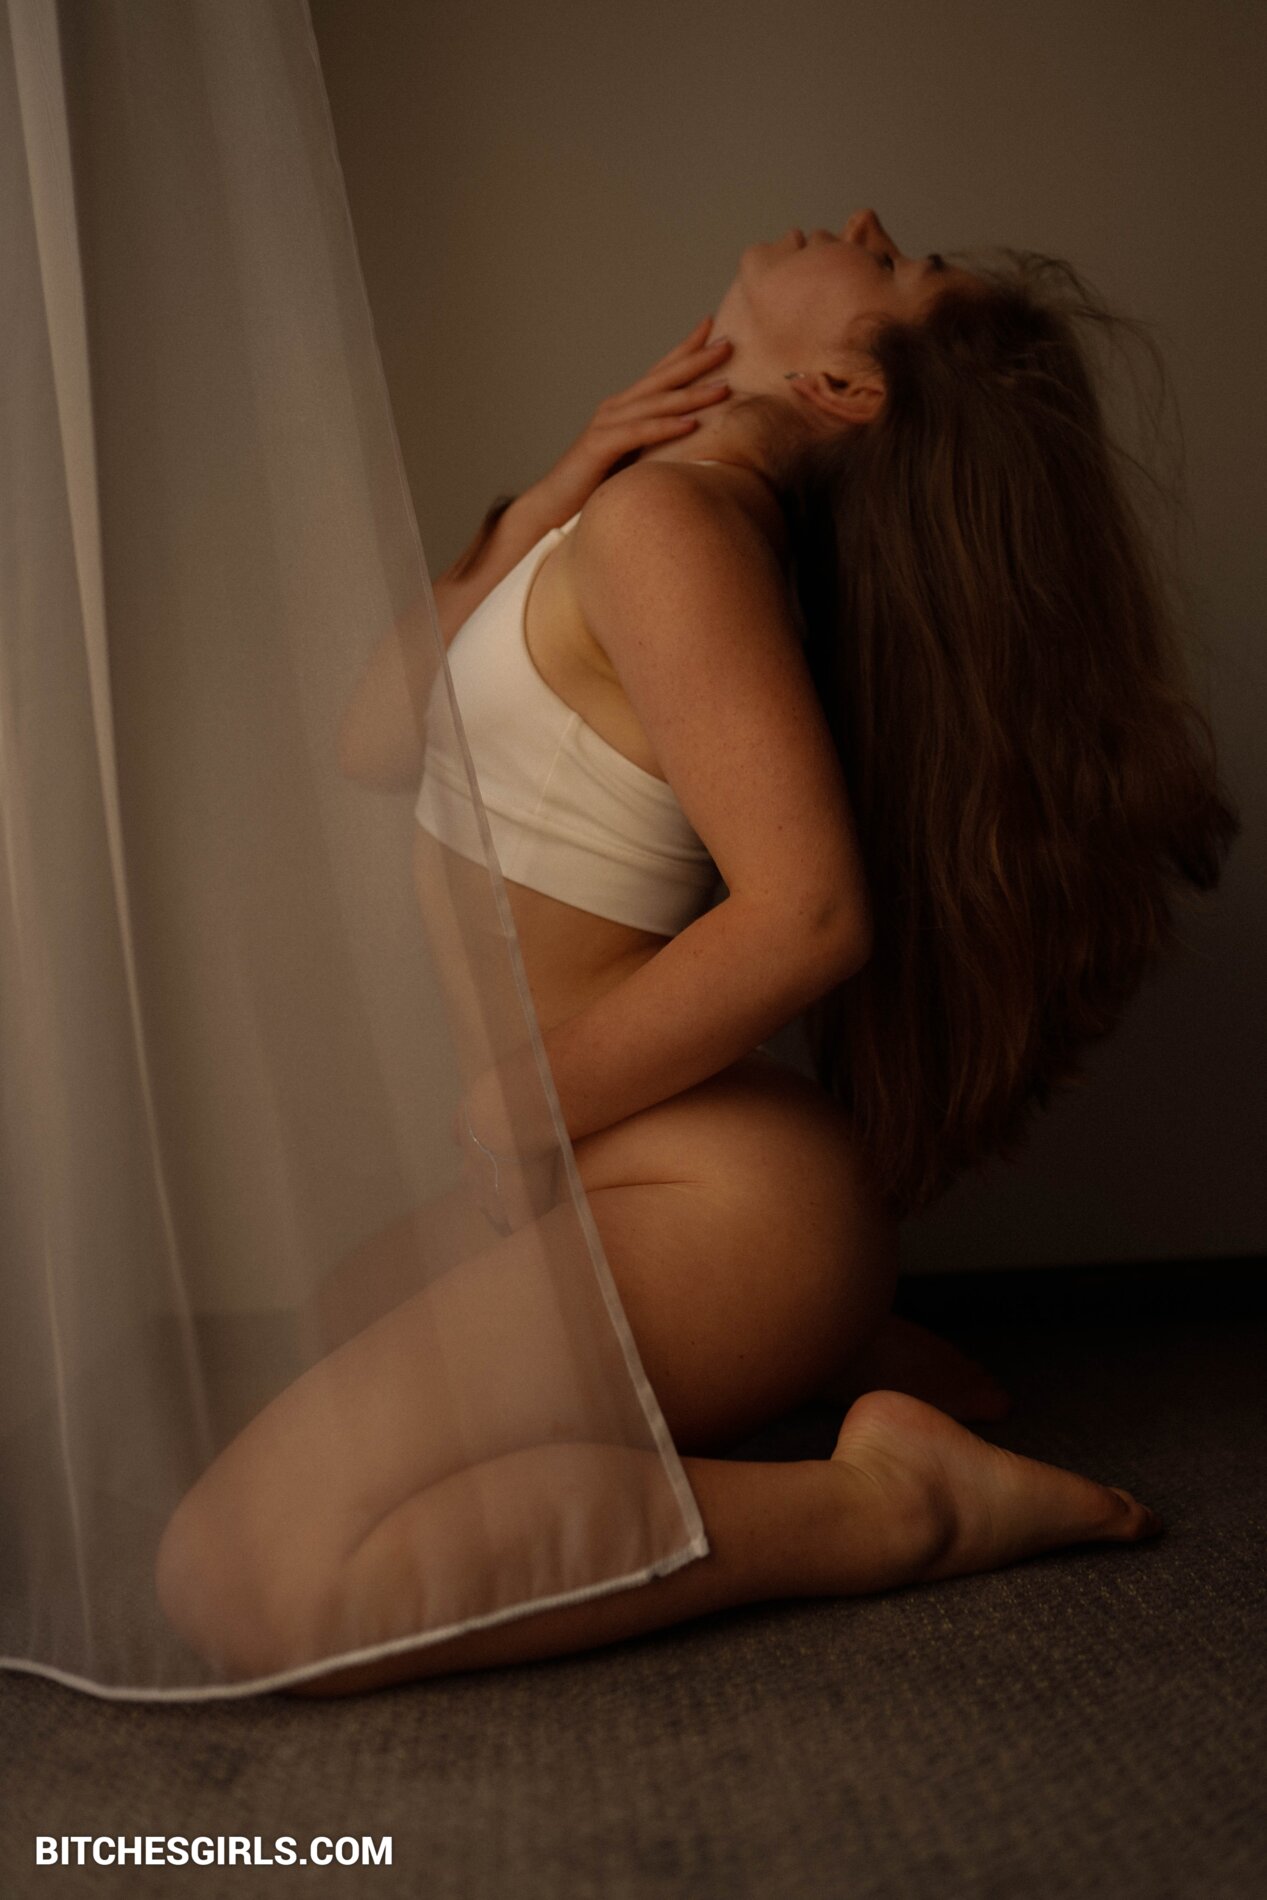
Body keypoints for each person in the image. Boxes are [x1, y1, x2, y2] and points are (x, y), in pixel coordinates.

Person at [155, 209, 1239, 1695]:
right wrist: (558, 485)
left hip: (705, 1190)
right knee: (340, 1317)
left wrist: (516, 1106)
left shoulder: (675, 531)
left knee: (246, 1579)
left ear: (845, 387)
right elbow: (374, 734)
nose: (865, 223)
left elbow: (811, 913)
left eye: (896, 264)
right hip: (627, 1163)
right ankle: (821, 1345)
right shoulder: (640, 514)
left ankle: (892, 1502)